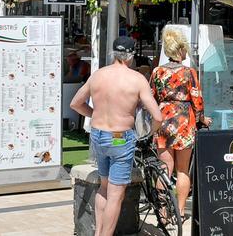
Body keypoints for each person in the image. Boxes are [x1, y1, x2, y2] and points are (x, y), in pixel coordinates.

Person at [70, 37, 164, 236]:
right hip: (120, 136)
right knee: (115, 193)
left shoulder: (98, 75)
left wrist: (94, 114)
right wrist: (149, 132)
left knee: (104, 187)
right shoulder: (136, 79)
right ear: (130, 56)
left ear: (114, 53)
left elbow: (76, 103)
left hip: (98, 134)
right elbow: (157, 116)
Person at [150, 28, 210, 222]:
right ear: (180, 50)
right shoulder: (188, 72)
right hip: (184, 121)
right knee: (182, 170)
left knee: (164, 168)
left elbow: (151, 98)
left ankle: (163, 213)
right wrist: (202, 119)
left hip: (163, 120)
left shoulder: (157, 72)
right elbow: (197, 100)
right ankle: (181, 211)